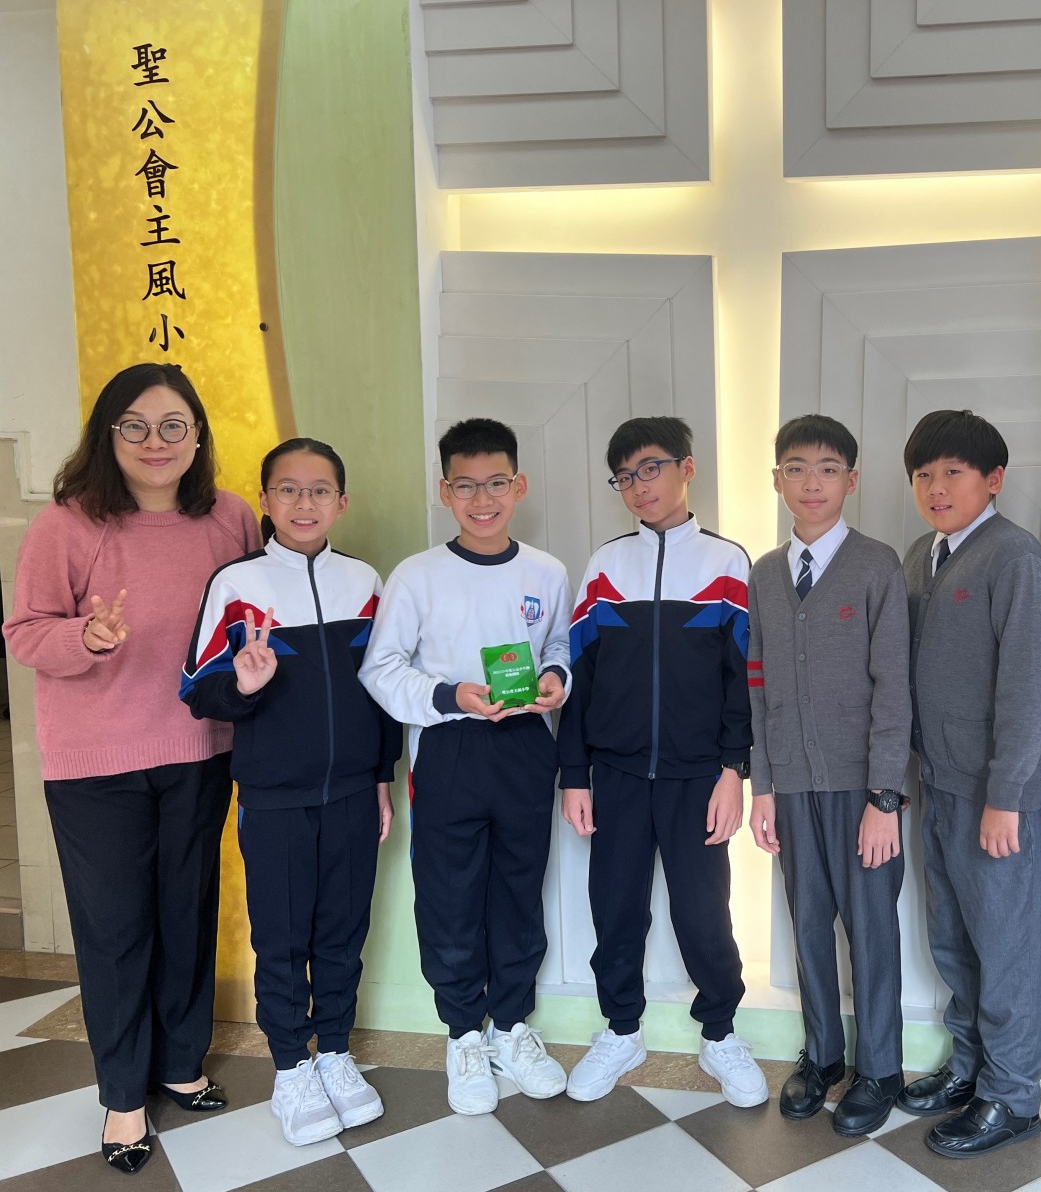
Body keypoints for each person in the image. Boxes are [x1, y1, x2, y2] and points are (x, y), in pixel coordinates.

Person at [1, 363, 258, 1175]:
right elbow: (24, 632)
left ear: (197, 436)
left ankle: (181, 1061)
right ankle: (121, 1094)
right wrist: (83, 636)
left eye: (174, 425)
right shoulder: (67, 524)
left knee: (187, 912)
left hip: (201, 749)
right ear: (107, 435)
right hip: (95, 765)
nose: (156, 442)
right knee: (115, 930)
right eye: (136, 426)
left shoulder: (229, 517)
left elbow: (254, 618)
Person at [181, 438, 401, 1146]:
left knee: (343, 931)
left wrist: (381, 776)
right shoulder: (235, 584)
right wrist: (243, 686)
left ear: (342, 501)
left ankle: (333, 1051)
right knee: (281, 937)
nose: (304, 503)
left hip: (353, 792)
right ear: (265, 500)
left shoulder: (365, 582)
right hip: (273, 796)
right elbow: (197, 689)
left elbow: (384, 687)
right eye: (288, 489)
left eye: (319, 490)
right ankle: (290, 1068)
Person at [359, 418, 572, 1116]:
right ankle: (462, 1034)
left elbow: (560, 646)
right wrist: (451, 695)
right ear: (445, 490)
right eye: (467, 486)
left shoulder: (547, 571)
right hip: (448, 747)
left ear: (520, 486)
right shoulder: (417, 576)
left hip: (526, 745)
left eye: (497, 483)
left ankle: (510, 1026)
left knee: (518, 891)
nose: (484, 500)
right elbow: (381, 669)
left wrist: (556, 679)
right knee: (449, 896)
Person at [557, 417, 767, 1108]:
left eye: (651, 468)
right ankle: (621, 1029)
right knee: (615, 909)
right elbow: (579, 680)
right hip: (615, 776)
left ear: (686, 468)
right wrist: (575, 774)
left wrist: (733, 770)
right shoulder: (604, 567)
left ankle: (720, 1033)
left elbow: (743, 682)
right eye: (625, 476)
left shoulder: (728, 565)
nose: (638, 486)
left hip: (698, 777)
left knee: (704, 914)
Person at [894, 409, 1041, 1159]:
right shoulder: (921, 557)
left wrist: (1005, 795)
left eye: (953, 472)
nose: (936, 487)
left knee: (1005, 947)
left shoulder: (1014, 558)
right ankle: (969, 1068)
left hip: (996, 796)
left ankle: (1013, 1096)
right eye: (923, 474)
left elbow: (1027, 688)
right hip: (937, 783)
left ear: (993, 480)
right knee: (953, 939)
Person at [746, 415, 912, 1137]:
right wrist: (763, 787)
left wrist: (884, 797)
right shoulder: (763, 574)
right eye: (795, 467)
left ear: (852, 479)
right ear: (777, 479)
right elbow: (756, 686)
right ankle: (822, 1056)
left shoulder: (877, 566)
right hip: (791, 785)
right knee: (808, 921)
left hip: (861, 788)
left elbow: (894, 688)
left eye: (827, 468)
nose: (810, 482)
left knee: (871, 926)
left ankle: (880, 1068)